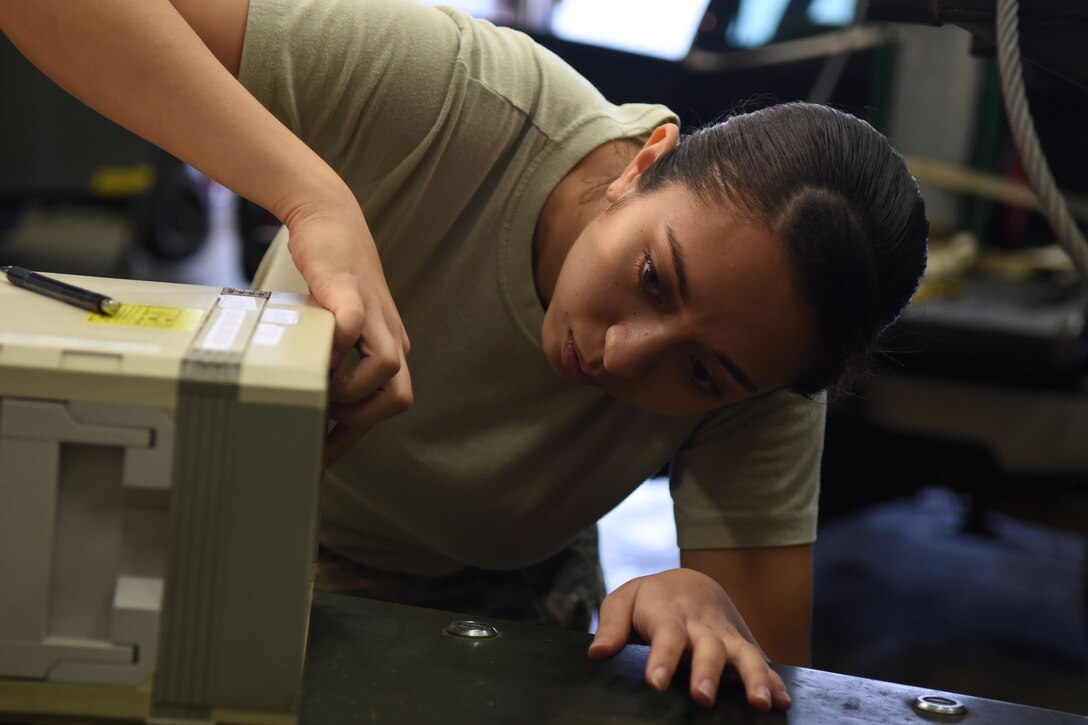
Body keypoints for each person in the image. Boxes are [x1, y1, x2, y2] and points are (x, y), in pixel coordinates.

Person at [0, 0, 928, 713]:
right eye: (652, 276)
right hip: (227, 518)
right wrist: (312, 195)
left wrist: (702, 604)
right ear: (644, 163)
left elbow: (773, 672)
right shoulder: (448, 97)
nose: (618, 354)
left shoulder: (766, 355)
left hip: (501, 597)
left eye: (700, 376)